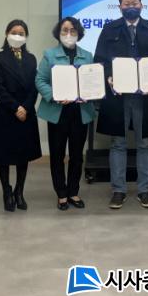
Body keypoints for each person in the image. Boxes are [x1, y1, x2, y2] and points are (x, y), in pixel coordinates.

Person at [94, 0, 148, 210]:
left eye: (134, 3)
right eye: (126, 4)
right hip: (118, 97)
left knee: (145, 143)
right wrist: (108, 76)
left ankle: (144, 190)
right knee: (118, 143)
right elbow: (100, 59)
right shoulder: (109, 29)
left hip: (145, 97)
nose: (130, 7)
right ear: (120, 7)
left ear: (141, 5)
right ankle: (119, 190)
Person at [36, 17, 97, 211]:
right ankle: (61, 193)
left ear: (79, 33)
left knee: (77, 155)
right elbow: (40, 80)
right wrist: (54, 96)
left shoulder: (87, 56)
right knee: (57, 154)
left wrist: (90, 94)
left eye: (72, 30)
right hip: (58, 112)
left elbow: (93, 82)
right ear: (58, 33)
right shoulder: (49, 55)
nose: (68, 34)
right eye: (64, 30)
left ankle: (73, 191)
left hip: (81, 112)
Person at [0, 19, 41, 212]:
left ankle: (19, 191)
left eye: (21, 33)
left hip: (27, 113)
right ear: (6, 34)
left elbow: (35, 87)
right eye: (14, 32)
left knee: (23, 155)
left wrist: (25, 107)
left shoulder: (31, 58)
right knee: (4, 156)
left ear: (26, 36)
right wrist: (15, 107)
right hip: (6, 112)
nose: (17, 36)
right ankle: (6, 192)